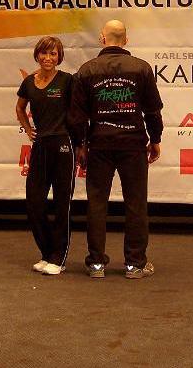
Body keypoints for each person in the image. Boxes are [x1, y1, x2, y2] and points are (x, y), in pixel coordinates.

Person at [69, 20, 163, 279]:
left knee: (97, 203)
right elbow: (153, 110)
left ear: (102, 39)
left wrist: (80, 144)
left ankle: (96, 264)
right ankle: (135, 264)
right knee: (136, 203)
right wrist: (155, 138)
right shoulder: (141, 68)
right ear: (126, 40)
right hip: (133, 144)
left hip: (99, 144)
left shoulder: (87, 70)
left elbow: (77, 116)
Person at [16, 36, 76, 276]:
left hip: (63, 145)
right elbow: (20, 107)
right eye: (44, 53)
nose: (48, 58)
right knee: (34, 203)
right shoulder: (29, 82)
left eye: (53, 54)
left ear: (59, 57)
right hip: (40, 146)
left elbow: (78, 113)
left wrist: (81, 143)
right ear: (37, 55)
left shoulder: (67, 81)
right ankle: (47, 253)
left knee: (62, 205)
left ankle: (59, 258)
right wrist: (28, 129)